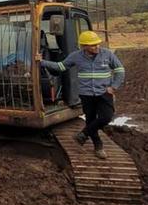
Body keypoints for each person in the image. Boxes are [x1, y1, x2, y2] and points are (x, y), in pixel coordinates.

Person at [36, 30, 124, 160]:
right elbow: (60, 66)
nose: (97, 47)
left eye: (98, 44)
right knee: (90, 119)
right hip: (86, 94)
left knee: (106, 117)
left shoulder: (107, 54)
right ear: (84, 46)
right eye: (93, 45)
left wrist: (114, 87)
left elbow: (120, 70)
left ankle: (84, 133)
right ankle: (98, 146)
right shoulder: (76, 56)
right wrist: (42, 62)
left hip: (104, 93)